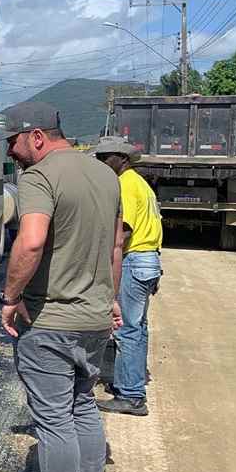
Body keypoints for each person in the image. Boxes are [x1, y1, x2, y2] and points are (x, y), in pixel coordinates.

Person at [0, 107, 125, 472]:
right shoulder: (106, 176)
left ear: (36, 136)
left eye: (13, 142)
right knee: (83, 406)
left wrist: (10, 298)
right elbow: (116, 247)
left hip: (51, 320)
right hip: (94, 319)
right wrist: (110, 299)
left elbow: (31, 242)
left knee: (52, 419)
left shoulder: (40, 177)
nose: (10, 152)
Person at [92, 137, 163, 416]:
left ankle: (131, 395)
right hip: (148, 260)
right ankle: (131, 383)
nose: (101, 162)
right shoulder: (139, 182)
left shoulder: (125, 184)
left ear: (122, 158)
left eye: (105, 157)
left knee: (126, 330)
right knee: (138, 328)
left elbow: (124, 230)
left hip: (135, 261)